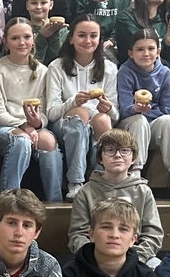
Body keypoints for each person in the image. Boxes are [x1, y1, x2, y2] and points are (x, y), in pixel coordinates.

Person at [0, 18, 63, 201]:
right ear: (5, 42)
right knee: (21, 141)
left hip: (32, 127)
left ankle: (55, 202)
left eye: (26, 37)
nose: (21, 43)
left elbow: (43, 113)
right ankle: (8, 200)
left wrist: (36, 122)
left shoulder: (42, 71)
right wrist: (24, 126)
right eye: (15, 38)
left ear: (33, 39)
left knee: (49, 141)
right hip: (1, 127)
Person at [116, 29, 170, 201]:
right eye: (140, 49)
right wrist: (135, 109)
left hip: (154, 126)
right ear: (131, 53)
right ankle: (135, 177)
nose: (146, 53)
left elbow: (169, 108)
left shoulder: (165, 73)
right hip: (131, 126)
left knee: (169, 121)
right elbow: (123, 108)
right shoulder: (125, 72)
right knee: (139, 121)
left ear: (158, 52)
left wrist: (148, 111)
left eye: (151, 49)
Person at [68, 129, 164, 266]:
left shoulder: (144, 192)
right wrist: (96, 257)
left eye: (125, 150)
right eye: (110, 150)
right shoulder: (86, 192)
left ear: (134, 158)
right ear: (100, 158)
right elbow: (77, 235)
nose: (118, 155)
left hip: (135, 257)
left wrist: (133, 259)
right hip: (95, 258)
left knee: (156, 266)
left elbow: (153, 235)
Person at [46, 15, 117, 199]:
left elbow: (115, 117)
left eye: (93, 36)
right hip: (64, 125)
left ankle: (101, 180)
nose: (88, 41)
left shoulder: (109, 68)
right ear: (71, 38)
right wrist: (72, 102)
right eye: (82, 35)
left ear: (99, 40)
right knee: (80, 113)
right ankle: (76, 182)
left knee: (102, 119)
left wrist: (108, 108)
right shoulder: (56, 67)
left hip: (95, 124)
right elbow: (51, 113)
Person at [26, 0, 68, 65]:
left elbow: (58, 61)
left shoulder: (61, 29)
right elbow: (29, 61)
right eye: (34, 3)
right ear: (27, 5)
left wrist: (55, 32)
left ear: (51, 5)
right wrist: (41, 36)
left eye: (43, 3)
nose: (38, 7)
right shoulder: (23, 29)